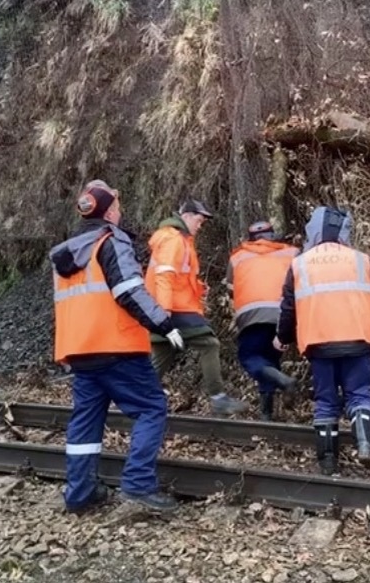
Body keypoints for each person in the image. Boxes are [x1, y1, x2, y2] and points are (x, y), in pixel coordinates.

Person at [49, 179, 184, 514]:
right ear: (109, 212)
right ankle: (138, 484)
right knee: (151, 407)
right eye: (117, 207)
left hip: (79, 351)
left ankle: (79, 494)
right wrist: (164, 324)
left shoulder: (65, 254)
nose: (120, 213)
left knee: (86, 421)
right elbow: (129, 291)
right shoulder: (110, 242)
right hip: (117, 347)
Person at [273, 206, 370, 475]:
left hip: (319, 343)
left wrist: (282, 337)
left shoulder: (299, 264)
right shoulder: (362, 261)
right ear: (344, 232)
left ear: (313, 231)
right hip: (359, 339)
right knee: (360, 394)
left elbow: (289, 308)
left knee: (326, 400)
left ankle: (327, 462)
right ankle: (366, 446)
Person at [145, 199, 247, 416]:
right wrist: (164, 311)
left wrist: (199, 288)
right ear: (187, 216)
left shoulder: (178, 239)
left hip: (169, 306)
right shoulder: (174, 239)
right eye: (199, 221)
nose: (200, 226)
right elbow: (164, 276)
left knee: (164, 352)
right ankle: (218, 398)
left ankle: (136, 398)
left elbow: (180, 278)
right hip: (174, 308)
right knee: (209, 344)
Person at [226, 221, 300, 420]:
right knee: (269, 360)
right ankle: (266, 415)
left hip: (252, 316)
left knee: (250, 357)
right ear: (273, 235)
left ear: (251, 239)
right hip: (283, 315)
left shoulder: (238, 257)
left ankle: (284, 382)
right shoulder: (291, 253)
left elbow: (231, 290)